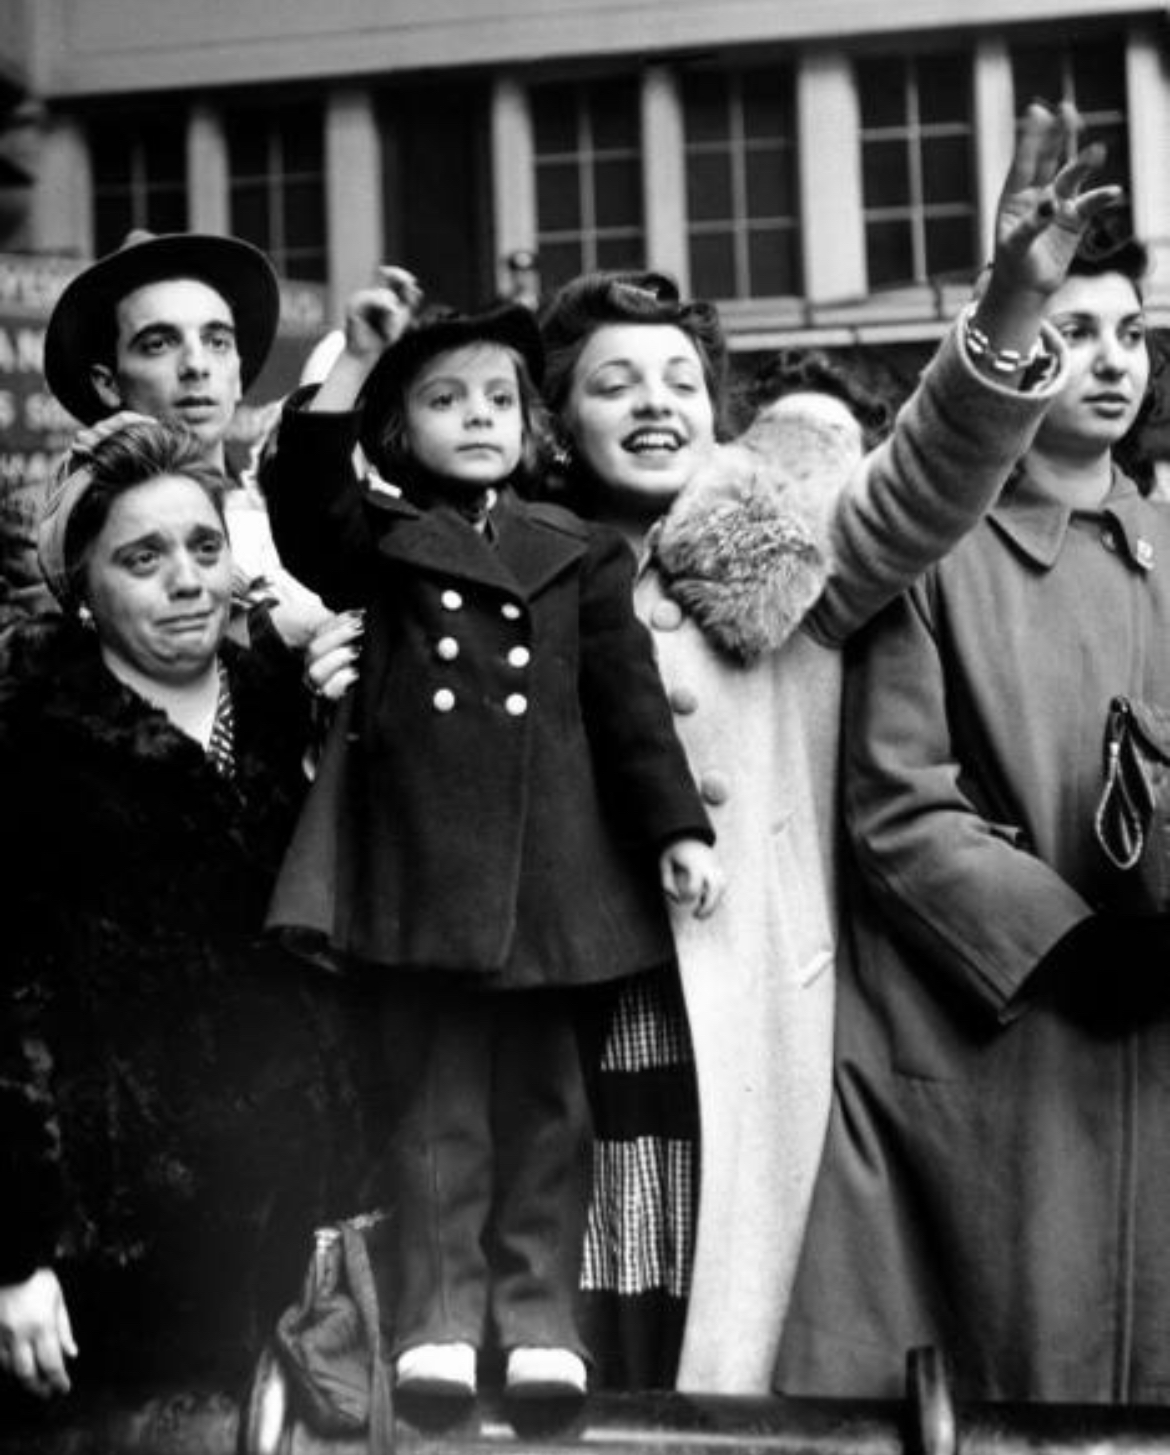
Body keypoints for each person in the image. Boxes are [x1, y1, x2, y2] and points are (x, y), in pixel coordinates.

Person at [292, 102, 1116, 1393]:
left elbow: (925, 473)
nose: (656, 403)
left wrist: (1011, 302)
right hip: (539, 1007)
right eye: (613, 382)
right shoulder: (490, 569)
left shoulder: (787, 552)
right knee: (540, 1348)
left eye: (680, 379)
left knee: (712, 1359)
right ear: (552, 416)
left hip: (725, 1044)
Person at [261, 301, 724, 1400]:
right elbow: (303, 505)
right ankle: (437, 1319)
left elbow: (631, 711)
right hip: (429, 882)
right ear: (400, 430)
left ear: (533, 423)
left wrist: (676, 829)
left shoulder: (576, 552)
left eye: (499, 399)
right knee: (438, 1113)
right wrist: (359, 359)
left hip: (557, 885)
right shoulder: (381, 545)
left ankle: (539, 1319)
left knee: (556, 1114)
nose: (478, 417)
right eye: (444, 399)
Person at [774, 224, 1170, 1403]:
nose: (1112, 362)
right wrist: (1070, 943)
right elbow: (900, 805)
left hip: (1159, 1030)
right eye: (1075, 334)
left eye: (1131, 335)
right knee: (1012, 1383)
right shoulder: (936, 555)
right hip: (1006, 1034)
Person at [0, 417, 369, 1406]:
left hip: (305, 1223)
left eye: (205, 548)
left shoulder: (289, 704)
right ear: (83, 588)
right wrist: (15, 1255)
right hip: (115, 1262)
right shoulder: (26, 742)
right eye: (143, 556)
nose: (186, 580)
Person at [0, 230, 325, 643]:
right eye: (158, 344)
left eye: (217, 341)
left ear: (239, 374)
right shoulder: (48, 518)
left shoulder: (282, 511)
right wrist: (267, 631)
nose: (196, 364)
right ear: (108, 384)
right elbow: (61, 671)